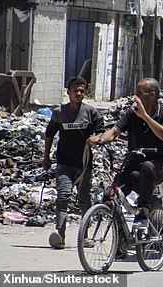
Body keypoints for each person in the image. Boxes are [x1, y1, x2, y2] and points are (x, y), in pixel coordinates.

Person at [92, 78, 163, 229]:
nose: (135, 97)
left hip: (158, 165)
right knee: (113, 191)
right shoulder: (131, 112)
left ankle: (144, 211)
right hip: (134, 161)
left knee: (147, 167)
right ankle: (121, 242)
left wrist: (145, 117)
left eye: (139, 93)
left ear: (152, 95)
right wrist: (100, 139)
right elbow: (115, 131)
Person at [43, 77, 103, 249]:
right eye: (75, 91)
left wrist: (96, 138)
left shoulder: (91, 113)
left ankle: (85, 235)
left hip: (84, 165)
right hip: (64, 163)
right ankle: (60, 234)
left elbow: (102, 131)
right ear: (68, 92)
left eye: (82, 91)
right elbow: (49, 135)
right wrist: (46, 157)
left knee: (84, 199)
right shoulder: (59, 113)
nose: (78, 94)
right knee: (63, 197)